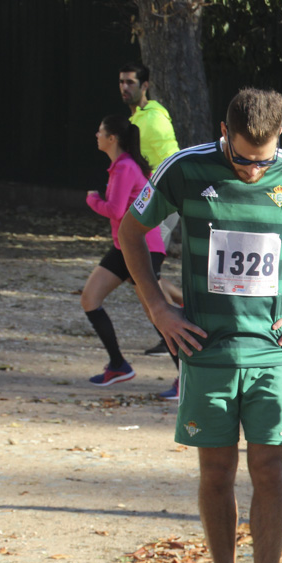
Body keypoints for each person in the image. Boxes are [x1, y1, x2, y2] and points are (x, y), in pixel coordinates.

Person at [117, 88, 282, 563]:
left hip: (272, 353)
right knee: (215, 474)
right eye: (241, 157)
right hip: (206, 353)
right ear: (224, 132)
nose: (251, 170)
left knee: (270, 473)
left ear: (279, 141)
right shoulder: (186, 168)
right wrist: (157, 308)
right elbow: (129, 230)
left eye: (261, 160)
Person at [82, 115, 176, 391]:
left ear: (113, 138)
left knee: (158, 313)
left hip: (142, 247)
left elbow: (115, 210)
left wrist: (92, 199)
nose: (96, 135)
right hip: (125, 247)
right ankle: (118, 365)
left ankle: (188, 378)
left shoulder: (125, 168)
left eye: (99, 131)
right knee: (89, 299)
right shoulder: (121, 166)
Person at [119, 60, 185, 361]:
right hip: (156, 200)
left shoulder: (150, 121)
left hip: (162, 201)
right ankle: (179, 319)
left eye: (130, 82)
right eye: (121, 82)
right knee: (142, 272)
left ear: (145, 86)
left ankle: (174, 328)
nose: (124, 87)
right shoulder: (143, 118)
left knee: (144, 272)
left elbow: (167, 162)